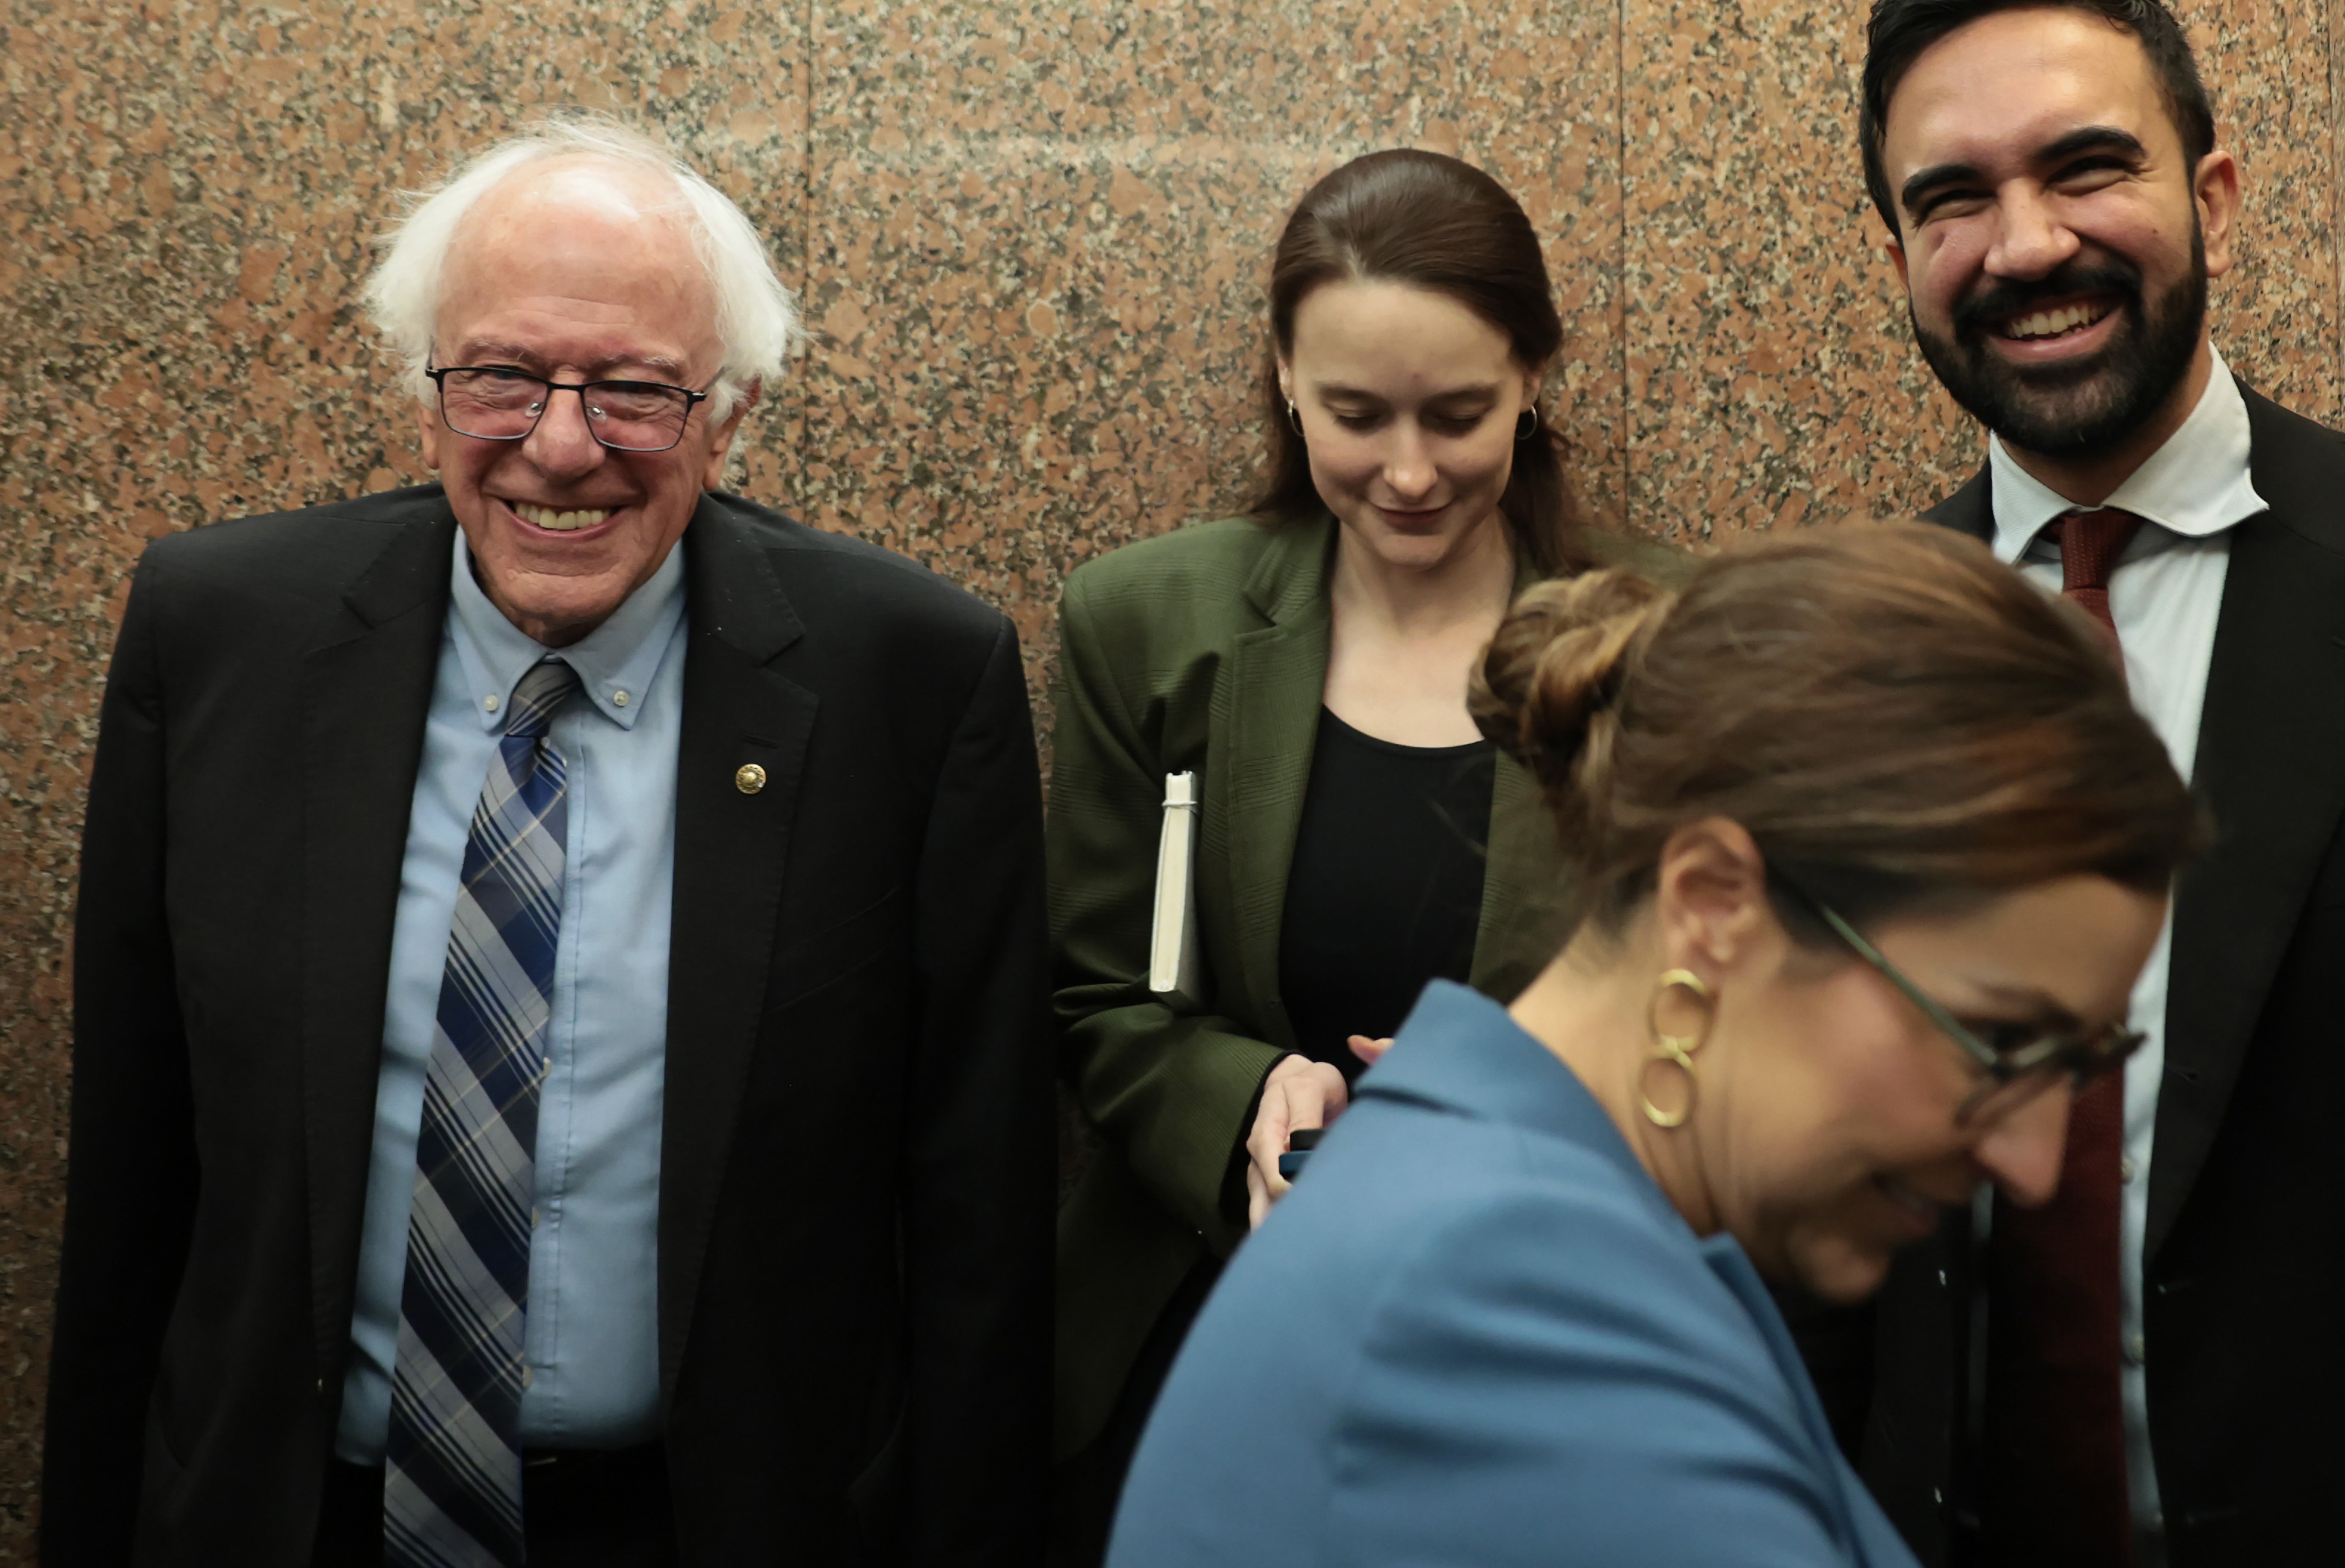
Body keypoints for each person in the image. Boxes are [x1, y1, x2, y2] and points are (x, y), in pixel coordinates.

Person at [41, 115, 1050, 1566]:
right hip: (288, 1515)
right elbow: (130, 1184)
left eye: (635, 391)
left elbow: (981, 1242)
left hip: (712, 1523)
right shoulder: (220, 640)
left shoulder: (911, 682)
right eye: (502, 378)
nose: (560, 447)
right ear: (425, 387)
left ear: (734, 409)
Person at [1104, 523, 2199, 1565]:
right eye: (2000, 1037)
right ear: (1714, 904)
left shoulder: (1509, 1218)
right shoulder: (1506, 1315)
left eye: (2079, 1064)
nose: (2036, 1163)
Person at [1847, 0, 2345, 1565]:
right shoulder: (1856, 654)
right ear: (1896, 253)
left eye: (2088, 169)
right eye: (1951, 199)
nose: (2026, 245)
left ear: (2215, 196)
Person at [1046, 148, 1679, 1553]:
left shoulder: (1669, 637)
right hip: (1213, 1334)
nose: (1407, 473)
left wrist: (1515, 1096)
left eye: (1459, 414)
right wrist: (1247, 1098)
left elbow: (1725, 1015)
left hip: (1552, 1341)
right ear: (1282, 375)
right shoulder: (1150, 626)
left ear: (1533, 376)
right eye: (1355, 414)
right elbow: (1101, 998)